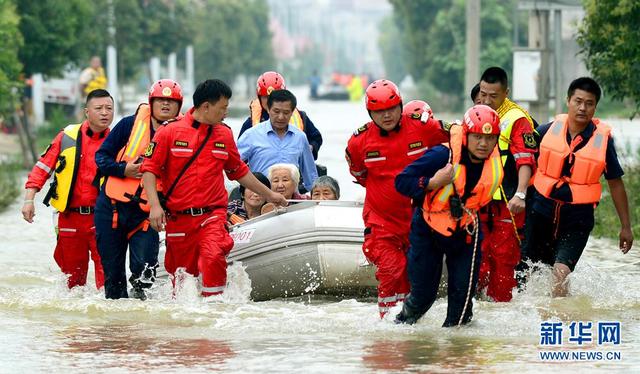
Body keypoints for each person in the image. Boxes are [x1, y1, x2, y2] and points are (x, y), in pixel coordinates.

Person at [141, 79, 286, 297]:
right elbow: (148, 170)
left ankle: (215, 311)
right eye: (223, 108)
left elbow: (239, 172)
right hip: (179, 218)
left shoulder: (224, 134)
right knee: (182, 278)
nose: (226, 112)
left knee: (213, 255)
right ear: (206, 106)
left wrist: (271, 195)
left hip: (213, 215)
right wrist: (154, 206)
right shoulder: (169, 132)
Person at [518, 77, 633, 297]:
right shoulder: (545, 131)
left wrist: (626, 226)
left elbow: (616, 184)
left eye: (589, 103)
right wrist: (519, 195)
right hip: (540, 213)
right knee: (528, 274)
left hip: (577, 219)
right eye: (578, 101)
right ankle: (529, 324)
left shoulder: (604, 142)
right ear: (568, 101)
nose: (582, 108)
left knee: (560, 274)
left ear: (595, 107)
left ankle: (560, 323)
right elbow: (522, 162)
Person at [345, 79, 449, 318]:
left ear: (401, 105)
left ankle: (411, 322)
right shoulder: (359, 142)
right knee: (393, 271)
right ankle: (389, 328)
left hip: (420, 219)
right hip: (382, 222)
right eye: (379, 112)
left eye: (391, 109)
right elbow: (360, 174)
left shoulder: (423, 127)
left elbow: (455, 139)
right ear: (370, 112)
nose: (387, 115)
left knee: (417, 275)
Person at [395, 105, 504, 327]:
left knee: (462, 305)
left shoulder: (495, 161)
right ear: (466, 135)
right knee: (423, 297)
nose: (483, 144)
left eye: (489, 138)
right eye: (477, 137)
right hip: (428, 228)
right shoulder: (442, 155)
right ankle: (399, 327)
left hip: (465, 233)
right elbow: (401, 181)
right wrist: (432, 182)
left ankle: (456, 355)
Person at [94, 79, 183, 300]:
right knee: (113, 276)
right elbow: (101, 157)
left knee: (145, 275)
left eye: (170, 101)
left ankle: (142, 324)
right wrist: (123, 169)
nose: (165, 105)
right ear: (151, 103)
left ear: (179, 107)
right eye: (160, 100)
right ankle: (118, 329)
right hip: (112, 209)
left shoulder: (182, 134)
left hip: (147, 213)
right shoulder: (128, 125)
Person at [21, 89, 114, 289]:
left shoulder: (118, 140)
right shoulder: (66, 137)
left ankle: (108, 320)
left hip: (103, 218)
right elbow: (42, 168)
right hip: (70, 217)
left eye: (109, 108)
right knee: (72, 282)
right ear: (86, 112)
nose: (105, 113)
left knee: (107, 282)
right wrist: (29, 200)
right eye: (99, 108)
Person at [475, 67, 537, 302]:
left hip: (507, 204)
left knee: (503, 262)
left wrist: (520, 194)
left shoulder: (517, 119)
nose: (487, 100)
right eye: (483, 93)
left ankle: (500, 312)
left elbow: (525, 160)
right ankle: (473, 313)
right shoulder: (475, 113)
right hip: (477, 202)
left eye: (493, 96)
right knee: (476, 260)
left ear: (506, 93)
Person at [237, 89, 318, 191]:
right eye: (276, 111)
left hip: (291, 200)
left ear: (292, 112)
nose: (281, 117)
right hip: (261, 198)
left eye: (286, 113)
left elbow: (311, 176)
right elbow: (233, 165)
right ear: (268, 109)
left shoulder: (300, 137)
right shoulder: (251, 135)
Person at [239, 71, 323, 160]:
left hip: (295, 170)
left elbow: (316, 138)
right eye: (266, 98)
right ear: (259, 98)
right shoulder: (250, 126)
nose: (270, 101)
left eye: (275, 98)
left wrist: (310, 148)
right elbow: (238, 158)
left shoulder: (301, 118)